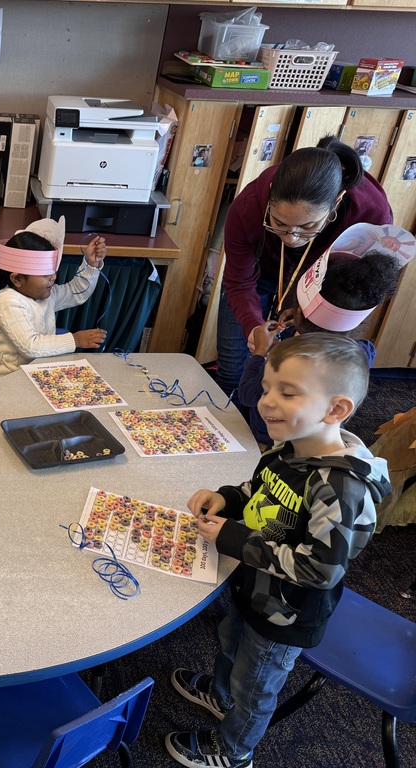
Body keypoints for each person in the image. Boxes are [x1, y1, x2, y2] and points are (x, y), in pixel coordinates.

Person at [166, 333, 390, 768]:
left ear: (336, 409)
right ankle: (219, 693)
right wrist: (229, 498)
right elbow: (263, 491)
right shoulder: (291, 447)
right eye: (268, 388)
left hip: (286, 614)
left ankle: (235, 751)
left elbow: (320, 569)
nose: (266, 402)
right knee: (230, 642)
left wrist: (232, 538)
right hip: (253, 587)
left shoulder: (338, 488)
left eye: (287, 392)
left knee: (256, 685)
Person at [215, 136, 393, 400]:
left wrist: (307, 313)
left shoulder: (371, 215)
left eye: (308, 227)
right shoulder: (247, 205)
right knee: (232, 372)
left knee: (287, 378)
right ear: (271, 197)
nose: (291, 238)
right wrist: (253, 326)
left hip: (323, 286)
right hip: (264, 274)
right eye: (279, 224)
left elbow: (359, 288)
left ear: (336, 202)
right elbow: (239, 282)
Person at [237, 227, 407, 447]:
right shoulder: (361, 353)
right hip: (319, 445)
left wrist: (259, 353)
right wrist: (299, 324)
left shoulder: (286, 354)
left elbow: (249, 394)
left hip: (270, 442)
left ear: (298, 310)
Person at [0, 216, 107, 381]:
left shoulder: (46, 294)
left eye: (53, 271)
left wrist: (91, 264)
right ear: (17, 279)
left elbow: (76, 292)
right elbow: (31, 346)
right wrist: (75, 340)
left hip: (35, 378)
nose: (53, 277)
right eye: (45, 274)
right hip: (4, 382)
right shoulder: (8, 301)